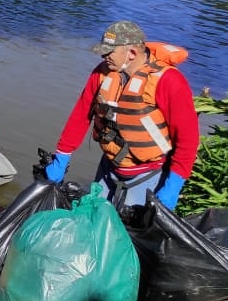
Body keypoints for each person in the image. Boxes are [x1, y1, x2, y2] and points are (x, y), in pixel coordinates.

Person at [43, 20, 199, 211]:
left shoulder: (169, 82)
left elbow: (188, 140)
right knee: (93, 226)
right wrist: (62, 158)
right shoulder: (102, 74)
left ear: (131, 53)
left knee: (130, 237)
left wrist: (172, 186)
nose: (103, 56)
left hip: (149, 176)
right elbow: (80, 116)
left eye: (109, 52)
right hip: (108, 170)